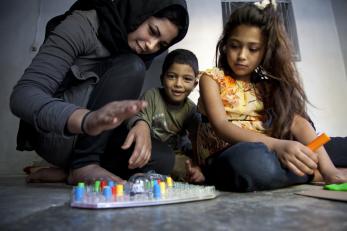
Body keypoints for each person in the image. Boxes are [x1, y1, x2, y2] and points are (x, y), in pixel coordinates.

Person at [10, 0, 189, 184]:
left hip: (95, 139)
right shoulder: (82, 26)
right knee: (132, 66)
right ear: (138, 12)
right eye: (152, 31)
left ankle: (70, 172)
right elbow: (23, 95)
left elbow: (114, 105)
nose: (151, 46)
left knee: (161, 158)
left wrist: (140, 123)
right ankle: (83, 165)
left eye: (161, 44)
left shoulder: (137, 50)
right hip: (57, 132)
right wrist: (86, 119)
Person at [187, 0, 347, 192]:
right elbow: (221, 126)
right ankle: (313, 172)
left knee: (338, 147)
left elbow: (297, 123)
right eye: (235, 46)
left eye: (253, 49)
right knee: (251, 162)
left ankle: (318, 168)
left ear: (265, 52)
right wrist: (278, 146)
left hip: (274, 148)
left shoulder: (266, 84)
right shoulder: (211, 78)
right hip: (232, 154)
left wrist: (329, 169)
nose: (242, 56)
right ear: (225, 45)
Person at [124, 48, 202, 182]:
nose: (178, 84)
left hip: (173, 156)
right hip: (150, 151)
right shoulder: (152, 96)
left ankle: (163, 177)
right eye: (171, 76)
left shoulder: (191, 109)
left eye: (187, 79)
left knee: (192, 165)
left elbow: (198, 141)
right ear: (162, 78)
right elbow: (138, 120)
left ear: (195, 84)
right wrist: (140, 124)